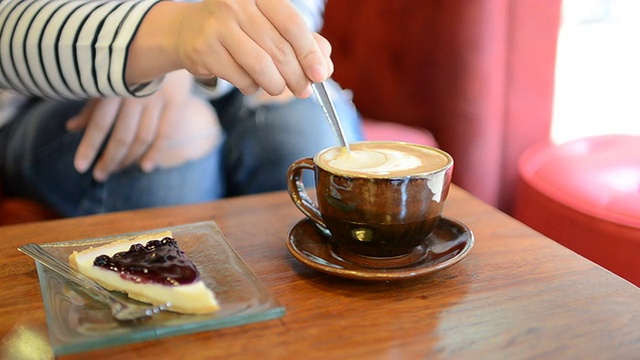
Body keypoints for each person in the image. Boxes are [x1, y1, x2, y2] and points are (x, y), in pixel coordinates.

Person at [0, 0, 362, 217]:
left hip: (214, 65)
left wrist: (191, 63)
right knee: (175, 146)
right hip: (53, 85)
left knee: (308, 136)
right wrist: (153, 46)